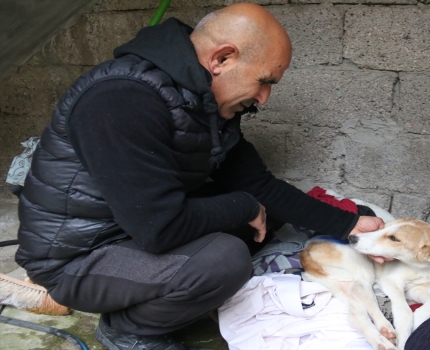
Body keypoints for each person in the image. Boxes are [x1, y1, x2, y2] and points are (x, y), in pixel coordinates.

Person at [14, 3, 387, 349]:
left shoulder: (202, 104)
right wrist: (243, 206)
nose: (264, 97)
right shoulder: (122, 97)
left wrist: (350, 224)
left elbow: (258, 184)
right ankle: (129, 330)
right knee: (224, 260)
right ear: (222, 58)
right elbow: (159, 228)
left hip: (128, 232)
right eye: (264, 81)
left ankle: (160, 299)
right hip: (77, 258)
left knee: (266, 214)